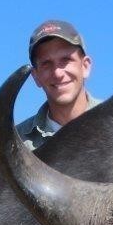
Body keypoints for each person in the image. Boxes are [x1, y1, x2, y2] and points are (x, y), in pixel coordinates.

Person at [16, 20, 101, 149]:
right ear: (35, 77)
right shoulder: (17, 144)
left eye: (66, 60)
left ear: (85, 66)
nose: (57, 73)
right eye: (46, 64)